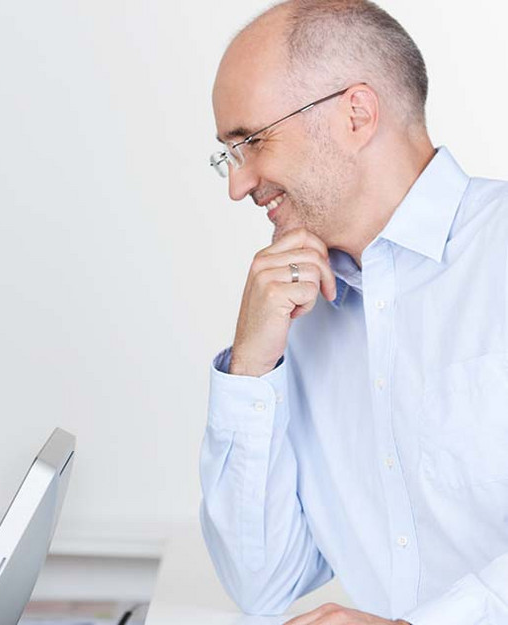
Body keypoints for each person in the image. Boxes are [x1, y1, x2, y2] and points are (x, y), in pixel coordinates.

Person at [200, 1, 508, 624]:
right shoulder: (298, 314)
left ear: (357, 114)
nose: (237, 185)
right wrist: (253, 365)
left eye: (251, 141)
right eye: (228, 154)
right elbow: (263, 584)